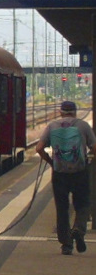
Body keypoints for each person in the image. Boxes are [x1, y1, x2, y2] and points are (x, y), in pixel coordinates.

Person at [35, 100, 96, 254]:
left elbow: (39, 148)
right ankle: (78, 230)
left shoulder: (52, 126)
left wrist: (51, 162)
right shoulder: (83, 126)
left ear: (61, 112)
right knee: (83, 204)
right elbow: (94, 148)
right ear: (74, 112)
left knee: (62, 208)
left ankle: (66, 244)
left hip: (59, 173)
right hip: (80, 172)